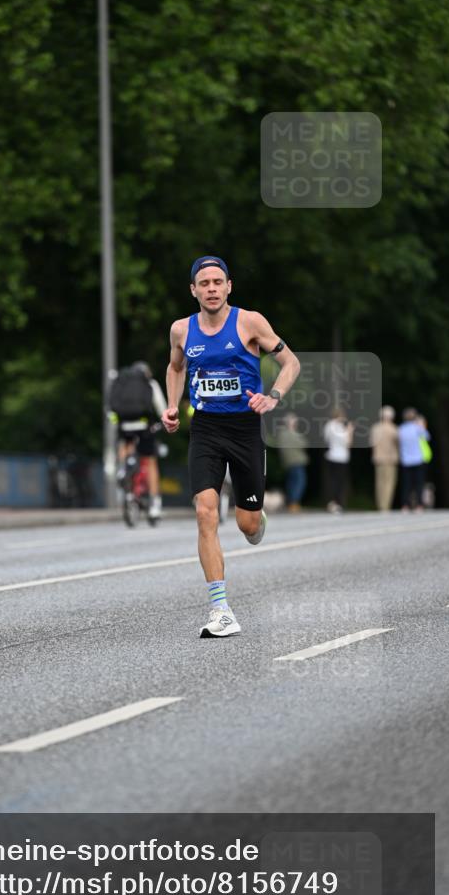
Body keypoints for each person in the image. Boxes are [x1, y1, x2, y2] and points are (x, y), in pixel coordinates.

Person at [161, 254, 300, 637]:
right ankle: (220, 609)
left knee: (247, 525)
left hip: (245, 430)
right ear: (193, 290)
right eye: (203, 283)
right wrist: (172, 406)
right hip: (205, 429)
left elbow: (291, 363)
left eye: (217, 282)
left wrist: (272, 396)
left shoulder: (250, 322)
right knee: (206, 513)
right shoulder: (181, 331)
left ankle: (256, 516)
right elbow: (175, 368)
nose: (211, 289)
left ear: (228, 287)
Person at [110, 361, 167, 520]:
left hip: (124, 425)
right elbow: (161, 408)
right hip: (143, 426)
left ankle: (123, 469)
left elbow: (111, 408)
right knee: (150, 461)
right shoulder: (150, 383)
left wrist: (118, 422)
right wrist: (163, 423)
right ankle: (155, 503)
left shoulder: (121, 382)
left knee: (126, 445)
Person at [398, 408, 430, 512]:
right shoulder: (417, 428)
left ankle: (405, 505)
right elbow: (427, 437)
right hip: (417, 459)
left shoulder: (401, 429)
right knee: (419, 484)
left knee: (406, 484)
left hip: (406, 460)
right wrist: (422, 424)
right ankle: (419, 505)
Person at [276, 412, 309, 512]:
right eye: (294, 420)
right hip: (295, 461)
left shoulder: (282, 434)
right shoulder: (290, 434)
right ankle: (294, 502)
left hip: (289, 462)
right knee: (299, 482)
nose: (296, 422)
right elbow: (304, 444)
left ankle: (291, 502)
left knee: (292, 483)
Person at [323, 408, 354, 513]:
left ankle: (331, 502)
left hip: (331, 455)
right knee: (339, 482)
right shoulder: (341, 428)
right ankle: (337, 503)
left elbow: (326, 440)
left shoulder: (328, 425)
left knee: (331, 481)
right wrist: (350, 431)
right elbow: (348, 443)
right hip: (341, 457)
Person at [369, 406, 399, 511]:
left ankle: (380, 504)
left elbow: (372, 444)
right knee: (389, 482)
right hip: (390, 459)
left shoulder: (375, 428)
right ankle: (386, 506)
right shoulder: (393, 429)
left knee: (379, 482)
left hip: (378, 458)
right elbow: (397, 444)